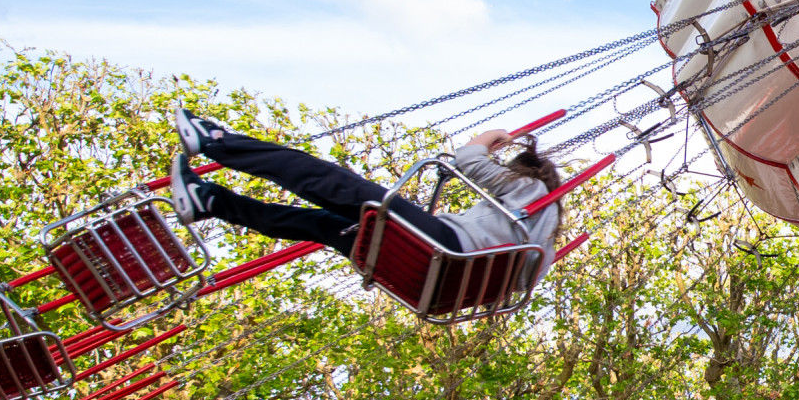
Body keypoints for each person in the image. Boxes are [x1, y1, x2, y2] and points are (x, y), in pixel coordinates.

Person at [167, 109, 563, 261]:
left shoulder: (533, 193)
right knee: (321, 225)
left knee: (331, 182)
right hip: (434, 275)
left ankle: (215, 142)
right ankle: (207, 201)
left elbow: (467, 159)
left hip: (445, 247)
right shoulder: (542, 244)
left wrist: (493, 135)